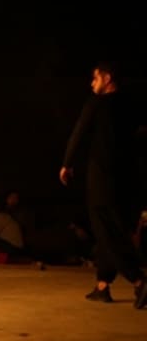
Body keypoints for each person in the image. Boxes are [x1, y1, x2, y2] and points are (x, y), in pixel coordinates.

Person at [60, 61, 145, 308]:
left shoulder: (96, 104)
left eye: (95, 79)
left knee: (105, 231)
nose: (91, 84)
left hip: (101, 177)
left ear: (107, 79)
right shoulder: (129, 105)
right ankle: (102, 284)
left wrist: (67, 162)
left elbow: (79, 131)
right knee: (111, 228)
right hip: (126, 179)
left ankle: (139, 281)